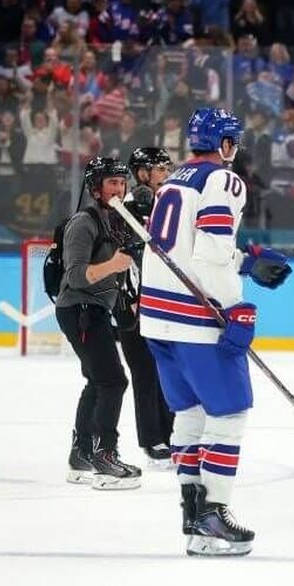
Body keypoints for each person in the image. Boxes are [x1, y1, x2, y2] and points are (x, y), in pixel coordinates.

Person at [139, 108, 293, 557]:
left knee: (190, 415)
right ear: (225, 143)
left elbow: (189, 250)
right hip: (195, 319)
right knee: (228, 415)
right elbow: (207, 255)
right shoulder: (223, 180)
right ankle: (213, 516)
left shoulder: (174, 179)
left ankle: (193, 514)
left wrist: (244, 262)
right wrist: (237, 307)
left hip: (158, 318)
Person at [58, 156, 140, 490]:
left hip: (94, 310)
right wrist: (114, 264)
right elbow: (76, 275)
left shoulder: (117, 221)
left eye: (122, 182)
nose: (119, 189)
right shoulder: (83, 222)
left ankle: (81, 455)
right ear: (96, 188)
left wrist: (126, 299)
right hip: (80, 310)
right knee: (113, 381)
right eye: (112, 183)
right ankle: (105, 455)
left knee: (97, 381)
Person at [115, 147, 177, 465]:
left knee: (166, 368)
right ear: (142, 174)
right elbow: (128, 259)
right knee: (143, 371)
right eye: (160, 170)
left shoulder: (162, 206)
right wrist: (133, 298)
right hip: (132, 303)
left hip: (159, 301)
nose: (166, 175)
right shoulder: (126, 208)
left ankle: (170, 434)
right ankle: (152, 440)